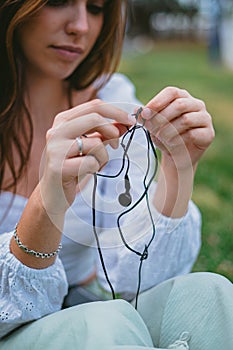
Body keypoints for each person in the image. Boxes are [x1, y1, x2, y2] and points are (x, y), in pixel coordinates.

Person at [0, 1, 232, 349]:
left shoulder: (111, 97)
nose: (81, 25)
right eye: (58, 1)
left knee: (208, 295)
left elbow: (140, 280)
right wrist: (47, 204)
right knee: (105, 325)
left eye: (95, 8)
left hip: (86, 314)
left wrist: (179, 167)